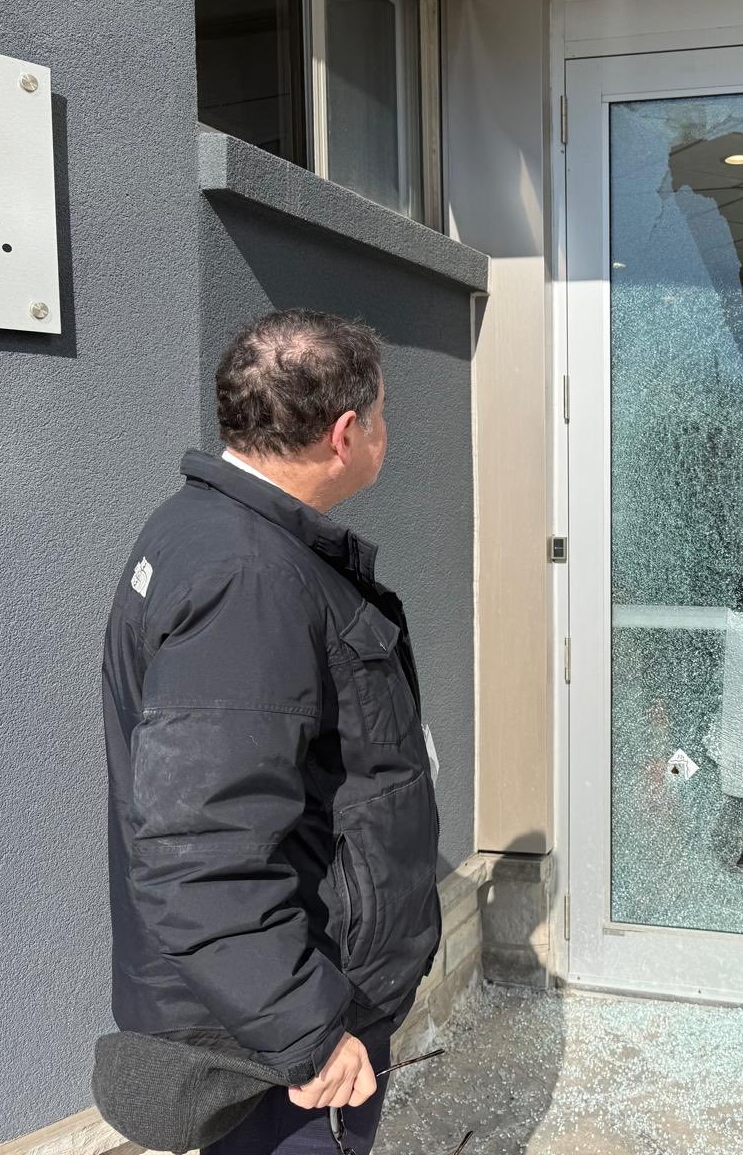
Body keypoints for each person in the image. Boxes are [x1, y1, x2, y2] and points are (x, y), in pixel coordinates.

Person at [102, 309, 441, 1155]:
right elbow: (202, 848)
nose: (385, 435)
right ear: (345, 433)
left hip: (275, 1004)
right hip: (279, 1046)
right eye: (384, 417)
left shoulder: (206, 530)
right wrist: (309, 1031)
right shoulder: (247, 576)